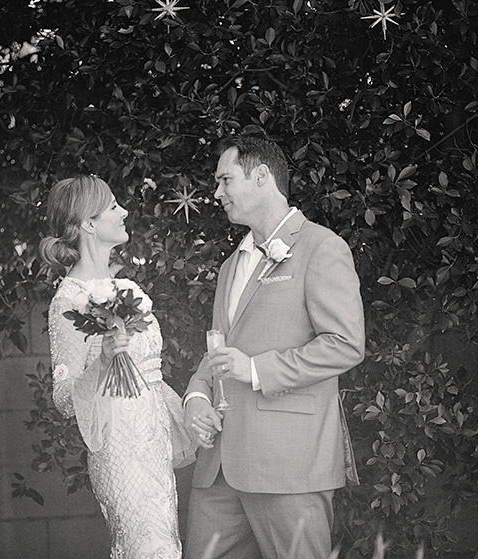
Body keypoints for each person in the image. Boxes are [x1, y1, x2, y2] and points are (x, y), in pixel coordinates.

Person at [183, 137, 365, 559]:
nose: (217, 193)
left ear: (262, 176)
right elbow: (218, 348)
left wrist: (258, 370)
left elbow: (345, 345)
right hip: (218, 470)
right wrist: (195, 395)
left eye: (225, 180)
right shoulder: (231, 265)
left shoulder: (322, 247)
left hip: (289, 465)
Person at [40, 175, 195, 559]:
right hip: (120, 445)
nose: (124, 211)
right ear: (89, 224)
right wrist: (104, 359)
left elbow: (149, 373)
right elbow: (63, 396)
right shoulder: (68, 302)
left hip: (154, 438)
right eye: (112, 206)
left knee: (166, 543)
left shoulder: (124, 289)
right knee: (148, 547)